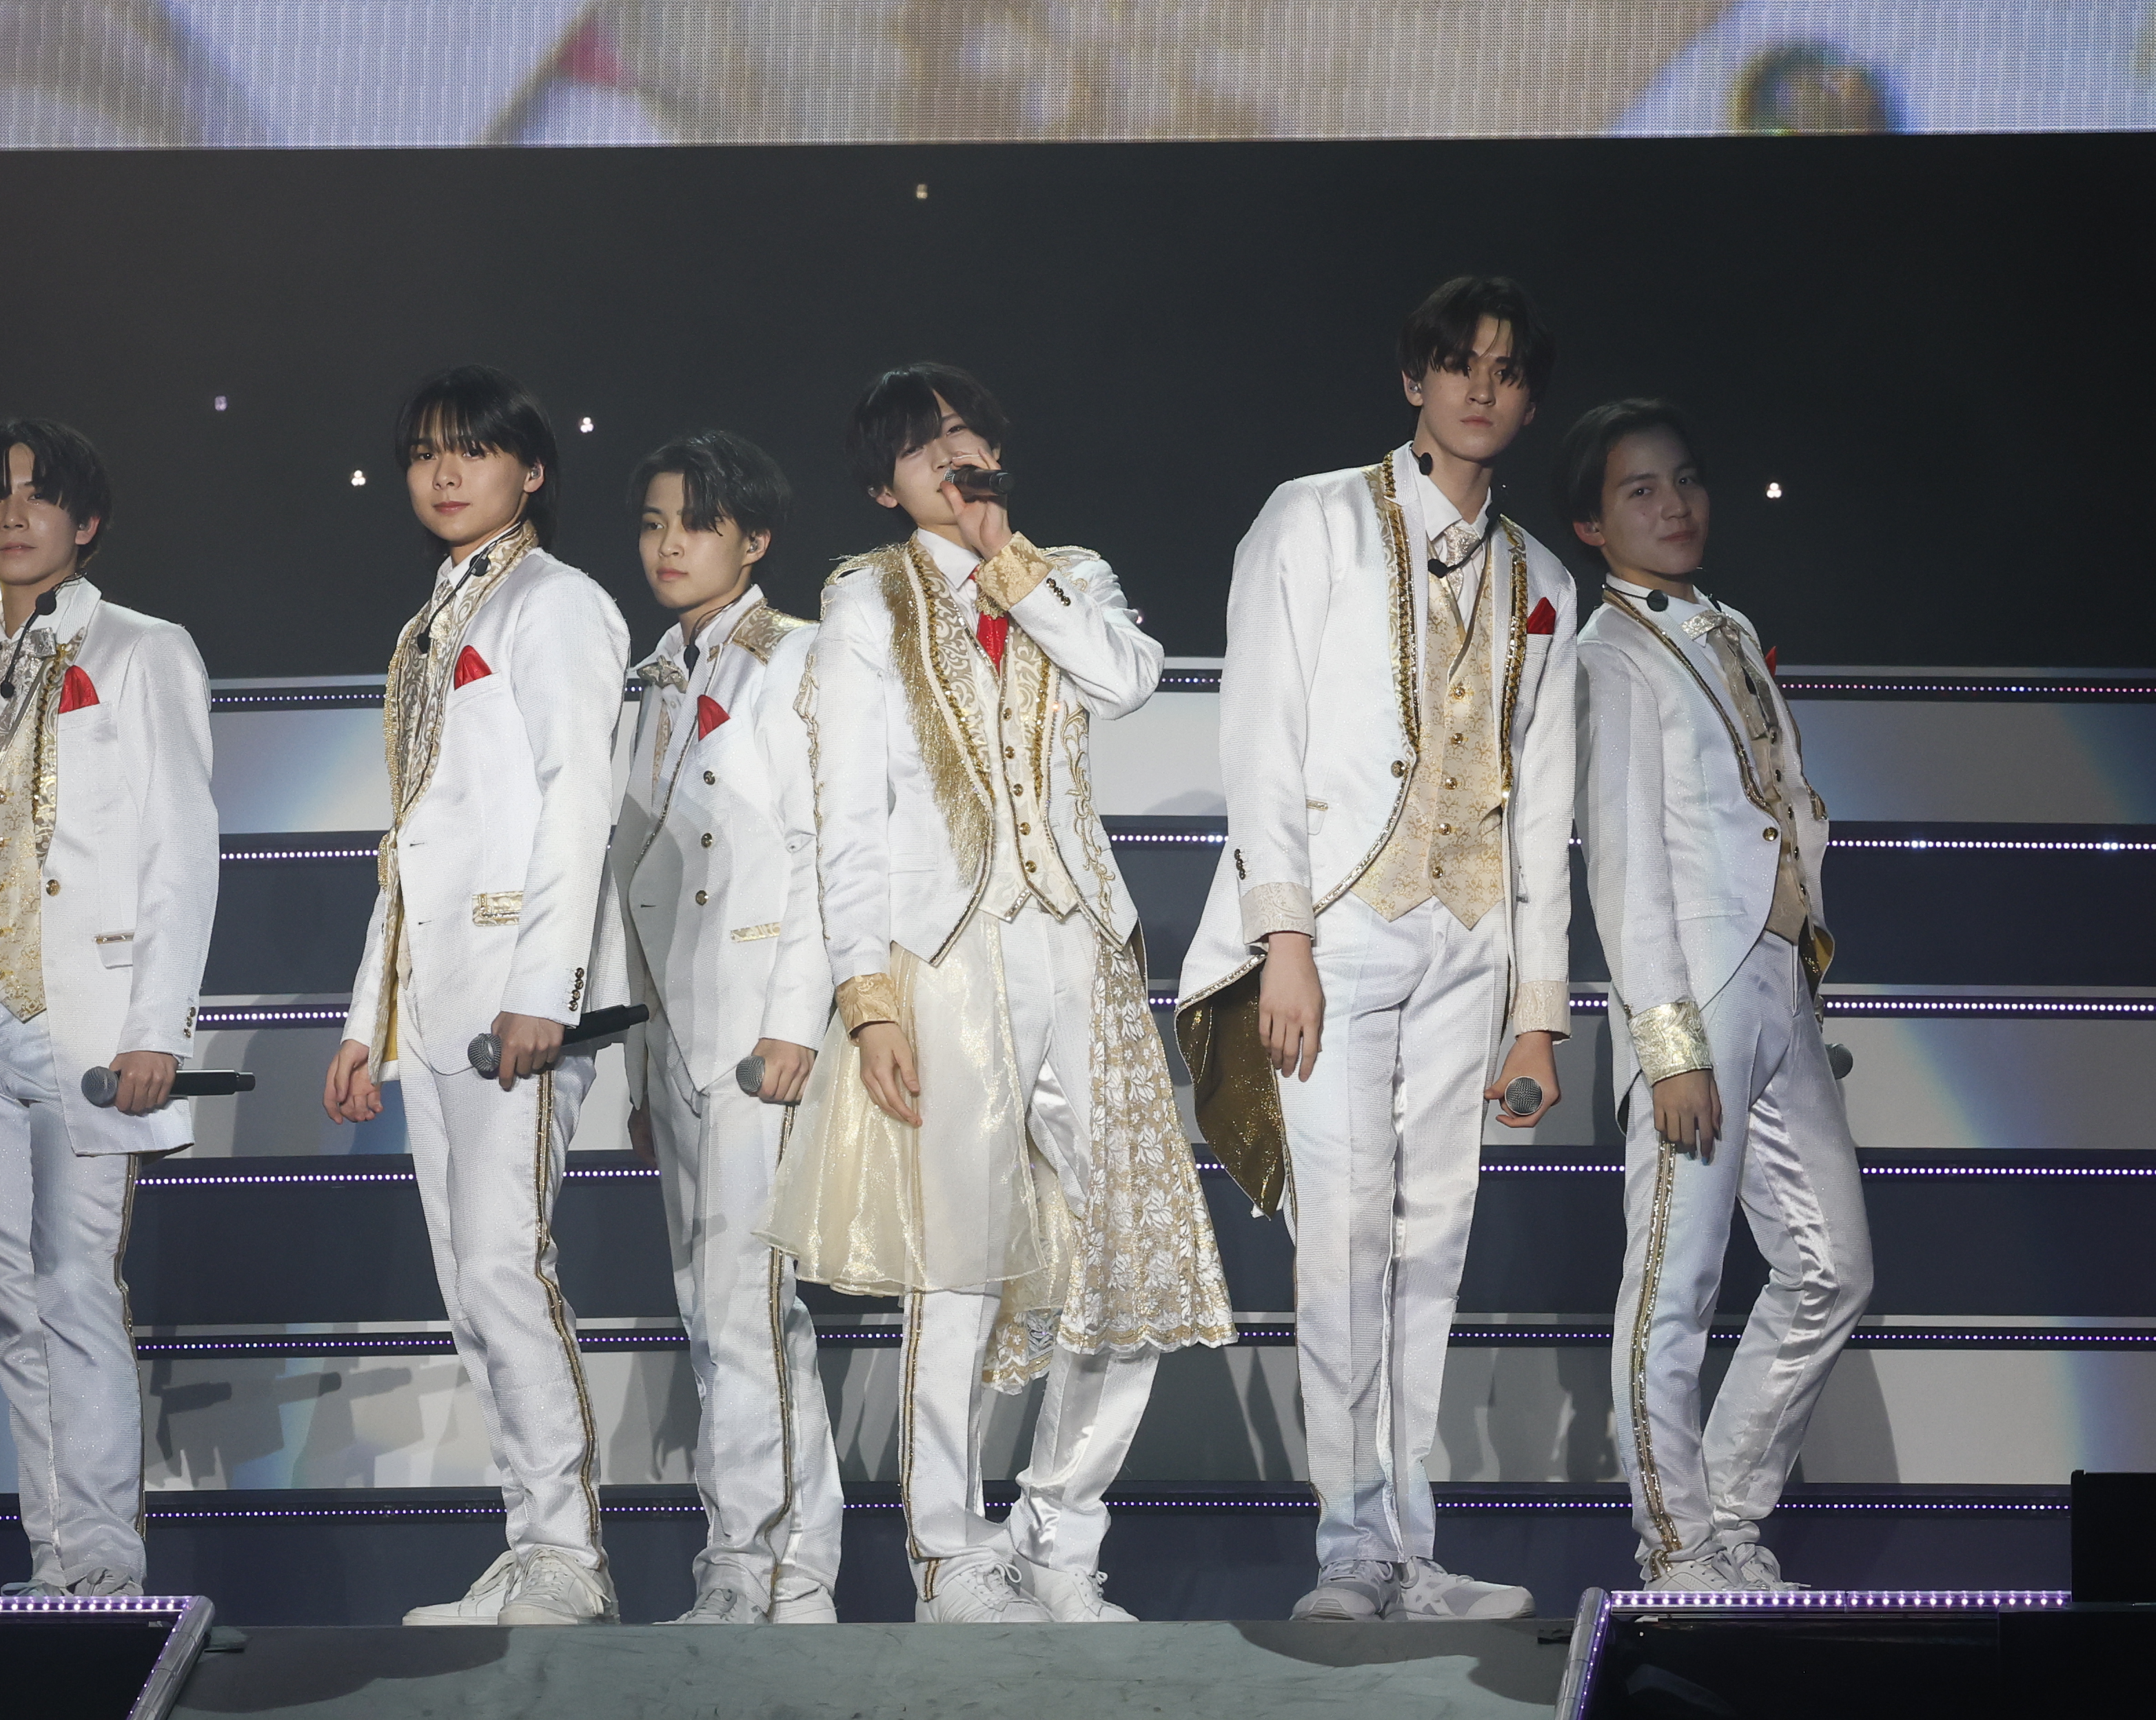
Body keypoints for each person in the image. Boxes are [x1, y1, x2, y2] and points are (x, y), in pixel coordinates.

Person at [762, 362, 1232, 1625]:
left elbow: (1126, 680)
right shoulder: (865, 597)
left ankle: (1059, 1539)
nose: (951, 457)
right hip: (948, 953)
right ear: (884, 485)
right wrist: (867, 999)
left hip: (1081, 944)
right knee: (958, 1261)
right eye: (923, 447)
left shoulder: (1067, 572)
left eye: (965, 436)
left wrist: (1008, 560)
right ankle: (948, 1555)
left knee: (1131, 1246)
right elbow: (849, 812)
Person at [1175, 277, 1579, 1621]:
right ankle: (1350, 1550)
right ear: (1415, 380)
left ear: (1529, 399)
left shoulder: (1545, 581)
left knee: (1433, 1242)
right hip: (1340, 923)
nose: (1480, 388)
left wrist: (1539, 1012)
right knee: (1342, 1239)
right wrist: (1282, 934)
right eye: (1458, 363)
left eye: (1505, 371)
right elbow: (1261, 733)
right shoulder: (1314, 517)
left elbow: (1545, 810)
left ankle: (1411, 1549)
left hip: (1469, 941)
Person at [0, 418, 218, 1598]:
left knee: (75, 1287)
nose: (15, 514)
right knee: (17, 1307)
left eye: (39, 495)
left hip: (85, 1019)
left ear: (87, 520)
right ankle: (53, 1557)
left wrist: (157, 1028)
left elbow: (183, 848)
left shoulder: (141, 650)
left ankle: (108, 1560)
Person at [322, 365, 631, 1626]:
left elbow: (579, 798)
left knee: (508, 1269)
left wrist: (545, 988)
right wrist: (368, 1021)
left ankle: (571, 1556)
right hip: (438, 996)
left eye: (473, 450)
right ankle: (529, 1543)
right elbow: (413, 839)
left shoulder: (557, 603)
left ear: (531, 470)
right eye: (424, 454)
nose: (445, 474)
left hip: (519, 997)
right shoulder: (434, 620)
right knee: (469, 1286)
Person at [1559, 398, 1871, 1592]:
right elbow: (1624, 859)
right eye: (1640, 489)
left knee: (1832, 1269)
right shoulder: (1611, 652)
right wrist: (1669, 1042)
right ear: (1592, 524)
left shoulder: (1726, 624)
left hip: (1782, 975)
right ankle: (1677, 1546)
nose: (1674, 505)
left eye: (1684, 479)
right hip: (1695, 990)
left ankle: (1728, 1513)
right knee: (1672, 1285)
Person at [614, 429, 843, 1624]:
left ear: (753, 541)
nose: (669, 545)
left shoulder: (799, 657)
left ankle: (749, 1564)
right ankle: (790, 1576)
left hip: (762, 1031)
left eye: (695, 524)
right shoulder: (649, 676)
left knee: (748, 1305)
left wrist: (797, 1022)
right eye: (654, 523)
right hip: (679, 1037)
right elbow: (635, 886)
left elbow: (821, 849)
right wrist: (639, 1068)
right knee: (719, 1310)